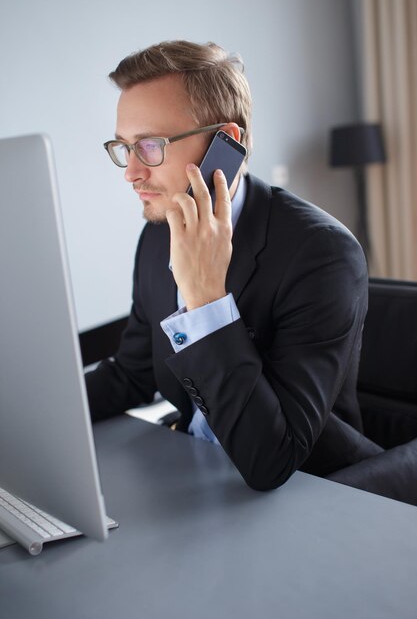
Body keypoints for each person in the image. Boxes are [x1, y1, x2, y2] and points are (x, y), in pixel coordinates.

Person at [85, 39, 388, 493]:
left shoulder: (322, 254)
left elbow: (273, 459)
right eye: (123, 147)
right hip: (197, 478)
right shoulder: (158, 234)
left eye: (150, 146)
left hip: (318, 494)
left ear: (228, 141)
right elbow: (132, 373)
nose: (131, 172)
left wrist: (205, 299)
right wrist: (30, 412)